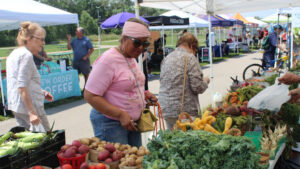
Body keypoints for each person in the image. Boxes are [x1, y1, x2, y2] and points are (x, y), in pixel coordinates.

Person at [84, 18, 157, 147]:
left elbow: (127, 85)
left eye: (145, 44)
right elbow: (90, 95)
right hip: (111, 124)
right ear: (124, 38)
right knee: (119, 164)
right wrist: (120, 114)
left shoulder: (130, 57)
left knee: (134, 163)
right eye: (137, 43)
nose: (141, 48)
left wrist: (143, 95)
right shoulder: (108, 60)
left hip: (131, 122)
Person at [6, 21, 53, 131]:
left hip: (17, 106)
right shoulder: (26, 56)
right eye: (41, 39)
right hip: (30, 107)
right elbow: (21, 86)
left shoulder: (14, 53)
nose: (44, 42)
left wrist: (41, 92)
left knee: (29, 141)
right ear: (29, 39)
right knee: (47, 139)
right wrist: (32, 112)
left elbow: (20, 81)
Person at [158, 32, 210, 130]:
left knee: (172, 139)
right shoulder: (190, 58)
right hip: (184, 110)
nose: (195, 53)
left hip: (165, 109)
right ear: (191, 46)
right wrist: (205, 81)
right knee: (186, 140)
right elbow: (197, 87)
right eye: (196, 50)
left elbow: (162, 81)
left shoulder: (167, 58)